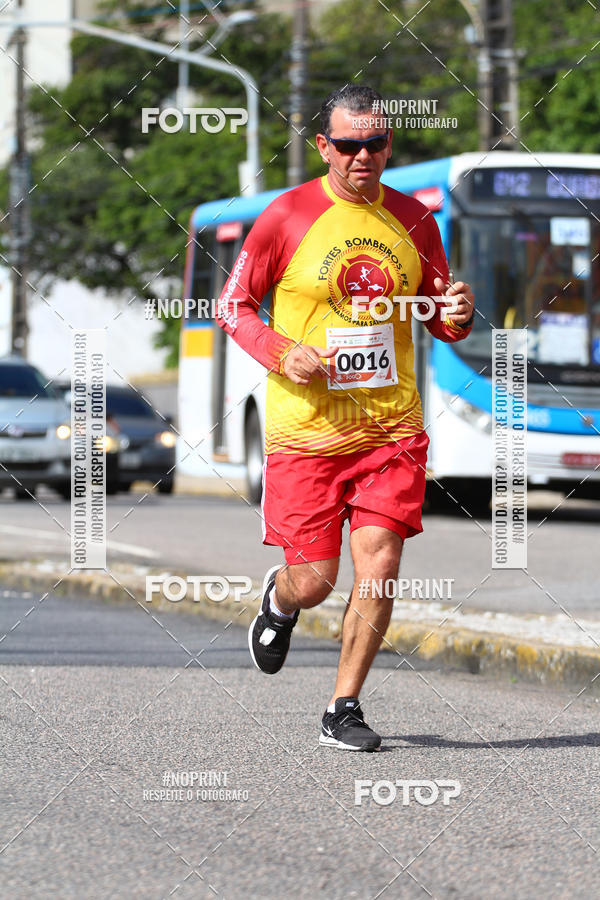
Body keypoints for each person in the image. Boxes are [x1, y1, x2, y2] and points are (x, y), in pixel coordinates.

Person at [216, 84, 475, 752]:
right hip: (307, 432)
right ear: (324, 146)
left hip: (391, 427)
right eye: (350, 145)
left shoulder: (417, 220)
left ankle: (344, 706)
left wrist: (456, 317)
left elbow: (437, 315)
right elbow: (233, 306)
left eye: (377, 143)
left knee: (380, 562)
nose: (364, 156)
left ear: (390, 144)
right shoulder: (287, 215)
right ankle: (280, 602)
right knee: (316, 580)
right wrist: (280, 352)